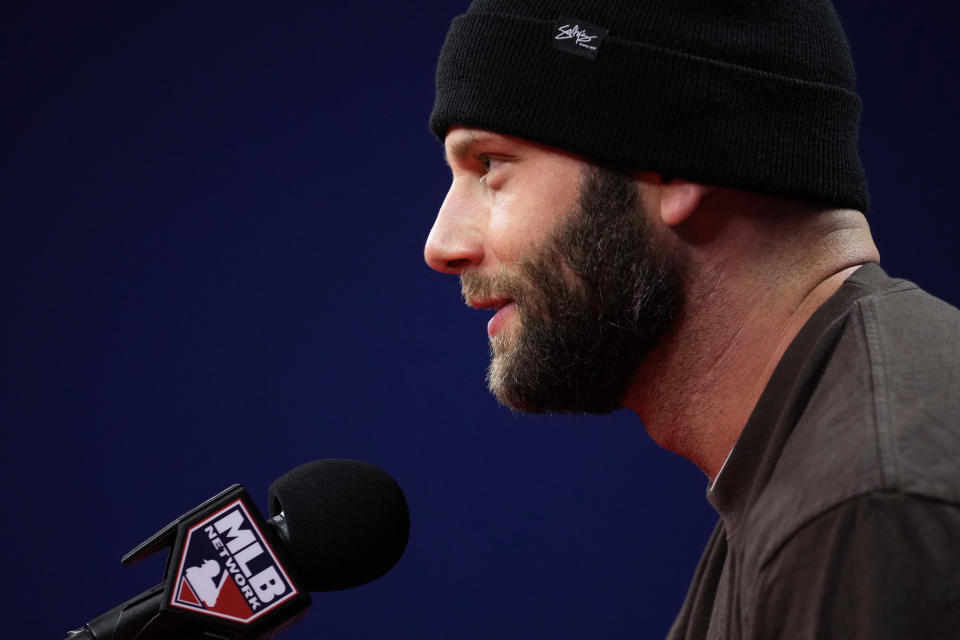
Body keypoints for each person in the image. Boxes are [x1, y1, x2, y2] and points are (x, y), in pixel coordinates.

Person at [423, 1, 960, 638]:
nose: (441, 244)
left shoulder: (869, 509)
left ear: (675, 162)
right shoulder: (810, 457)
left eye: (490, 165)